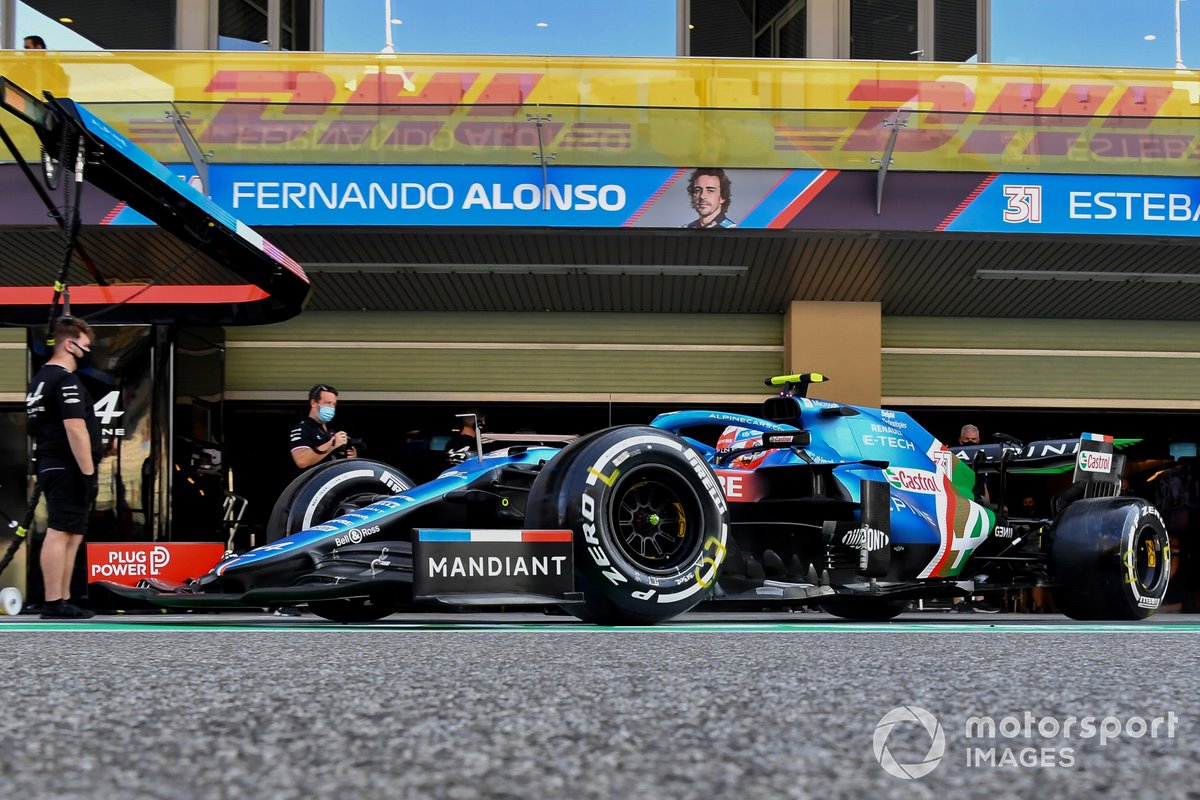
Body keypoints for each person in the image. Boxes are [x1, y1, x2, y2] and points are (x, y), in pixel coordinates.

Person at [27, 317, 101, 619]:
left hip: (52, 463)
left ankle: (63, 599)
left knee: (72, 532)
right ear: (69, 345)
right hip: (66, 465)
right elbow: (75, 429)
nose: (88, 351)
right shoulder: (65, 380)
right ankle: (54, 601)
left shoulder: (40, 379)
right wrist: (88, 474)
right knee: (60, 531)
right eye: (85, 345)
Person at [288, 383, 356, 471]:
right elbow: (302, 461)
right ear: (313, 403)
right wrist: (332, 444)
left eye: (334, 404)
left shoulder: (331, 432)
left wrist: (350, 456)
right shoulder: (302, 428)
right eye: (327, 403)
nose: (331, 407)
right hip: (312, 479)